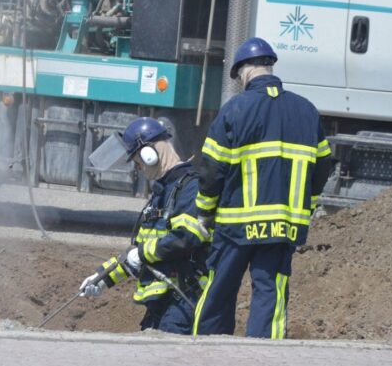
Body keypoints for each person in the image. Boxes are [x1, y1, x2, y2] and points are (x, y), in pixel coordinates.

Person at [193, 37, 332, 338]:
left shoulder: (234, 110)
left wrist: (205, 212)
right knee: (270, 293)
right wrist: (306, 204)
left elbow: (212, 170)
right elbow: (323, 166)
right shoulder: (306, 110)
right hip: (283, 226)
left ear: (243, 70)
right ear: (270, 67)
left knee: (219, 290)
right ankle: (262, 358)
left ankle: (205, 350)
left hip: (235, 226)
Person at [79, 117, 209, 334]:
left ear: (150, 153)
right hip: (160, 305)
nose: (138, 168)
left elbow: (186, 237)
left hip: (183, 303)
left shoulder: (190, 188)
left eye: (137, 161)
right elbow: (139, 253)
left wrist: (140, 255)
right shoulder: (161, 193)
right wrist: (102, 278)